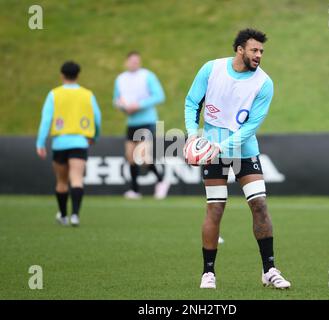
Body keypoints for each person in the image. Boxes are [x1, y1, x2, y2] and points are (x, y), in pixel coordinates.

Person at [184, 28, 291, 289]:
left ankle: (270, 270)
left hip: (243, 150)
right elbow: (191, 103)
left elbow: (249, 128)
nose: (259, 55)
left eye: (262, 51)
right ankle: (208, 273)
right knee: (216, 208)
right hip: (210, 148)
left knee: (260, 205)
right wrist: (191, 135)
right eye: (254, 50)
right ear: (240, 49)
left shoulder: (264, 83)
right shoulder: (211, 69)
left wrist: (220, 148)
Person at [36, 61, 101, 226]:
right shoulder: (87, 94)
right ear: (78, 75)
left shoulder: (54, 94)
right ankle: (75, 215)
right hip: (80, 141)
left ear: (61, 75)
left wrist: (40, 142)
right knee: (77, 178)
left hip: (60, 143)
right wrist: (95, 135)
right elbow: (97, 117)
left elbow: (46, 119)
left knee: (61, 181)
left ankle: (63, 215)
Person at [113, 51, 170, 199]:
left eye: (137, 61)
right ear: (126, 62)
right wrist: (122, 106)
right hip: (131, 122)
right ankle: (134, 190)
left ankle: (161, 181)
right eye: (132, 61)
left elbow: (159, 96)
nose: (134, 63)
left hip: (147, 121)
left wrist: (139, 105)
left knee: (143, 157)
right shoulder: (120, 79)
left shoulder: (147, 76)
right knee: (131, 157)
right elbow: (116, 99)